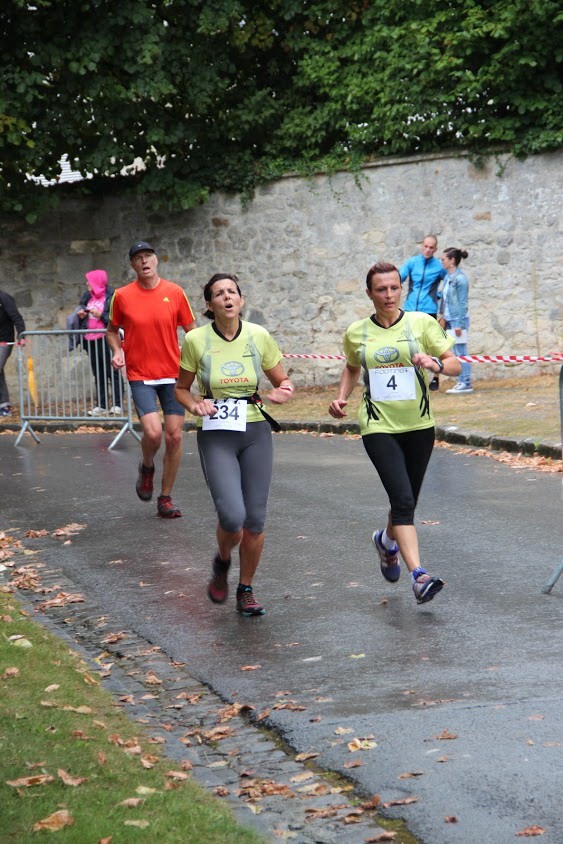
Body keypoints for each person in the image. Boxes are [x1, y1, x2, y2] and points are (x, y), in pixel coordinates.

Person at [329, 261, 461, 604]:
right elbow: (352, 366)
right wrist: (342, 397)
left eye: (393, 288)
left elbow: (456, 364)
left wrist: (435, 364)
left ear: (400, 289)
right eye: (381, 289)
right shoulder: (357, 332)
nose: (388, 295)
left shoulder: (421, 324)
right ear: (369, 293)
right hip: (378, 425)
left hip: (419, 425)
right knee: (402, 500)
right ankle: (419, 576)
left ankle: (387, 542)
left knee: (407, 500)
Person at [174, 273, 294, 616]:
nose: (227, 297)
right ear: (210, 305)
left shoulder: (259, 336)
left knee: (254, 519)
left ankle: (246, 589)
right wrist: (194, 405)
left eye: (232, 292)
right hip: (216, 433)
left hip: (255, 431)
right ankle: (222, 561)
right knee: (232, 516)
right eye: (218, 294)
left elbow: (282, 380)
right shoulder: (196, 340)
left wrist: (283, 391)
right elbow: (180, 388)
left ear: (241, 300)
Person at [106, 241, 196, 518]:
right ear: (132, 265)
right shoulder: (121, 296)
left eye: (148, 256)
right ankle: (147, 466)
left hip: (173, 374)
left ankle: (165, 498)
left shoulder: (175, 292)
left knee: (175, 436)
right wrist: (117, 351)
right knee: (154, 434)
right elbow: (111, 331)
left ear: (156, 260)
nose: (144, 262)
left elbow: (192, 331)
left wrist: (198, 358)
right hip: (141, 374)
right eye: (138, 258)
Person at [399, 235, 447, 391]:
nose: (427, 249)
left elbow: (449, 283)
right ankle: (412, 377)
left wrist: (438, 297)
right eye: (425, 246)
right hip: (410, 309)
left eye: (431, 247)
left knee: (431, 344)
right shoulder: (412, 263)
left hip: (429, 310)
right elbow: (398, 277)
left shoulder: (439, 266)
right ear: (422, 246)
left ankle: (435, 378)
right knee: (409, 344)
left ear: (435, 249)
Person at [77, 270, 123, 415]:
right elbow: (82, 311)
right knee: (98, 372)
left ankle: (117, 404)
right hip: (90, 339)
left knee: (112, 371)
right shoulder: (87, 296)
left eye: (89, 281)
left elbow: (115, 319)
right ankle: (101, 405)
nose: (86, 284)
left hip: (106, 339)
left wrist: (100, 315)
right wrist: (82, 315)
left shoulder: (110, 296)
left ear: (97, 282)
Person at [439, 248, 473, 394]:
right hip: (449, 318)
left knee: (461, 351)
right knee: (455, 351)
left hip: (458, 320)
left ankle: (465, 382)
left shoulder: (461, 279)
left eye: (444, 259)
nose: (442, 261)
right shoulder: (448, 278)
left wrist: (459, 323)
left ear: (452, 260)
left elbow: (462, 303)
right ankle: (462, 381)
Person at [0, 289, 26, 417]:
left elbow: (17, 317)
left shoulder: (4, 297)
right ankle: (4, 405)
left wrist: (21, 336)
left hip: (4, 341)